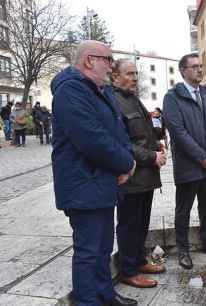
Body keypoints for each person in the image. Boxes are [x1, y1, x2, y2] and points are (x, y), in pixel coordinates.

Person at [50, 40, 138, 306]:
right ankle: (89, 301)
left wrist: (126, 161)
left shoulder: (101, 90)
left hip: (101, 182)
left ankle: (105, 295)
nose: (111, 66)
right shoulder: (70, 91)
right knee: (89, 252)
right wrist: (126, 163)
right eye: (108, 59)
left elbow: (118, 130)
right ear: (90, 60)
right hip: (83, 184)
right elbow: (92, 138)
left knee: (102, 249)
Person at [162, 53, 206, 270]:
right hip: (189, 165)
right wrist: (201, 157)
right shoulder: (172, 97)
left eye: (201, 66)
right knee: (184, 210)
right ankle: (183, 250)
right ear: (183, 71)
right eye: (195, 67)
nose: (200, 70)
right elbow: (178, 132)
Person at [111, 59, 167, 289]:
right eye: (129, 74)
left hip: (146, 177)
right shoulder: (114, 101)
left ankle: (139, 260)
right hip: (131, 176)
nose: (134, 78)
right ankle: (129, 270)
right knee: (128, 225)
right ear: (114, 76)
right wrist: (152, 156)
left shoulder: (132, 99)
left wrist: (158, 136)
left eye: (136, 74)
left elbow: (144, 135)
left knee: (142, 223)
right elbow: (122, 143)